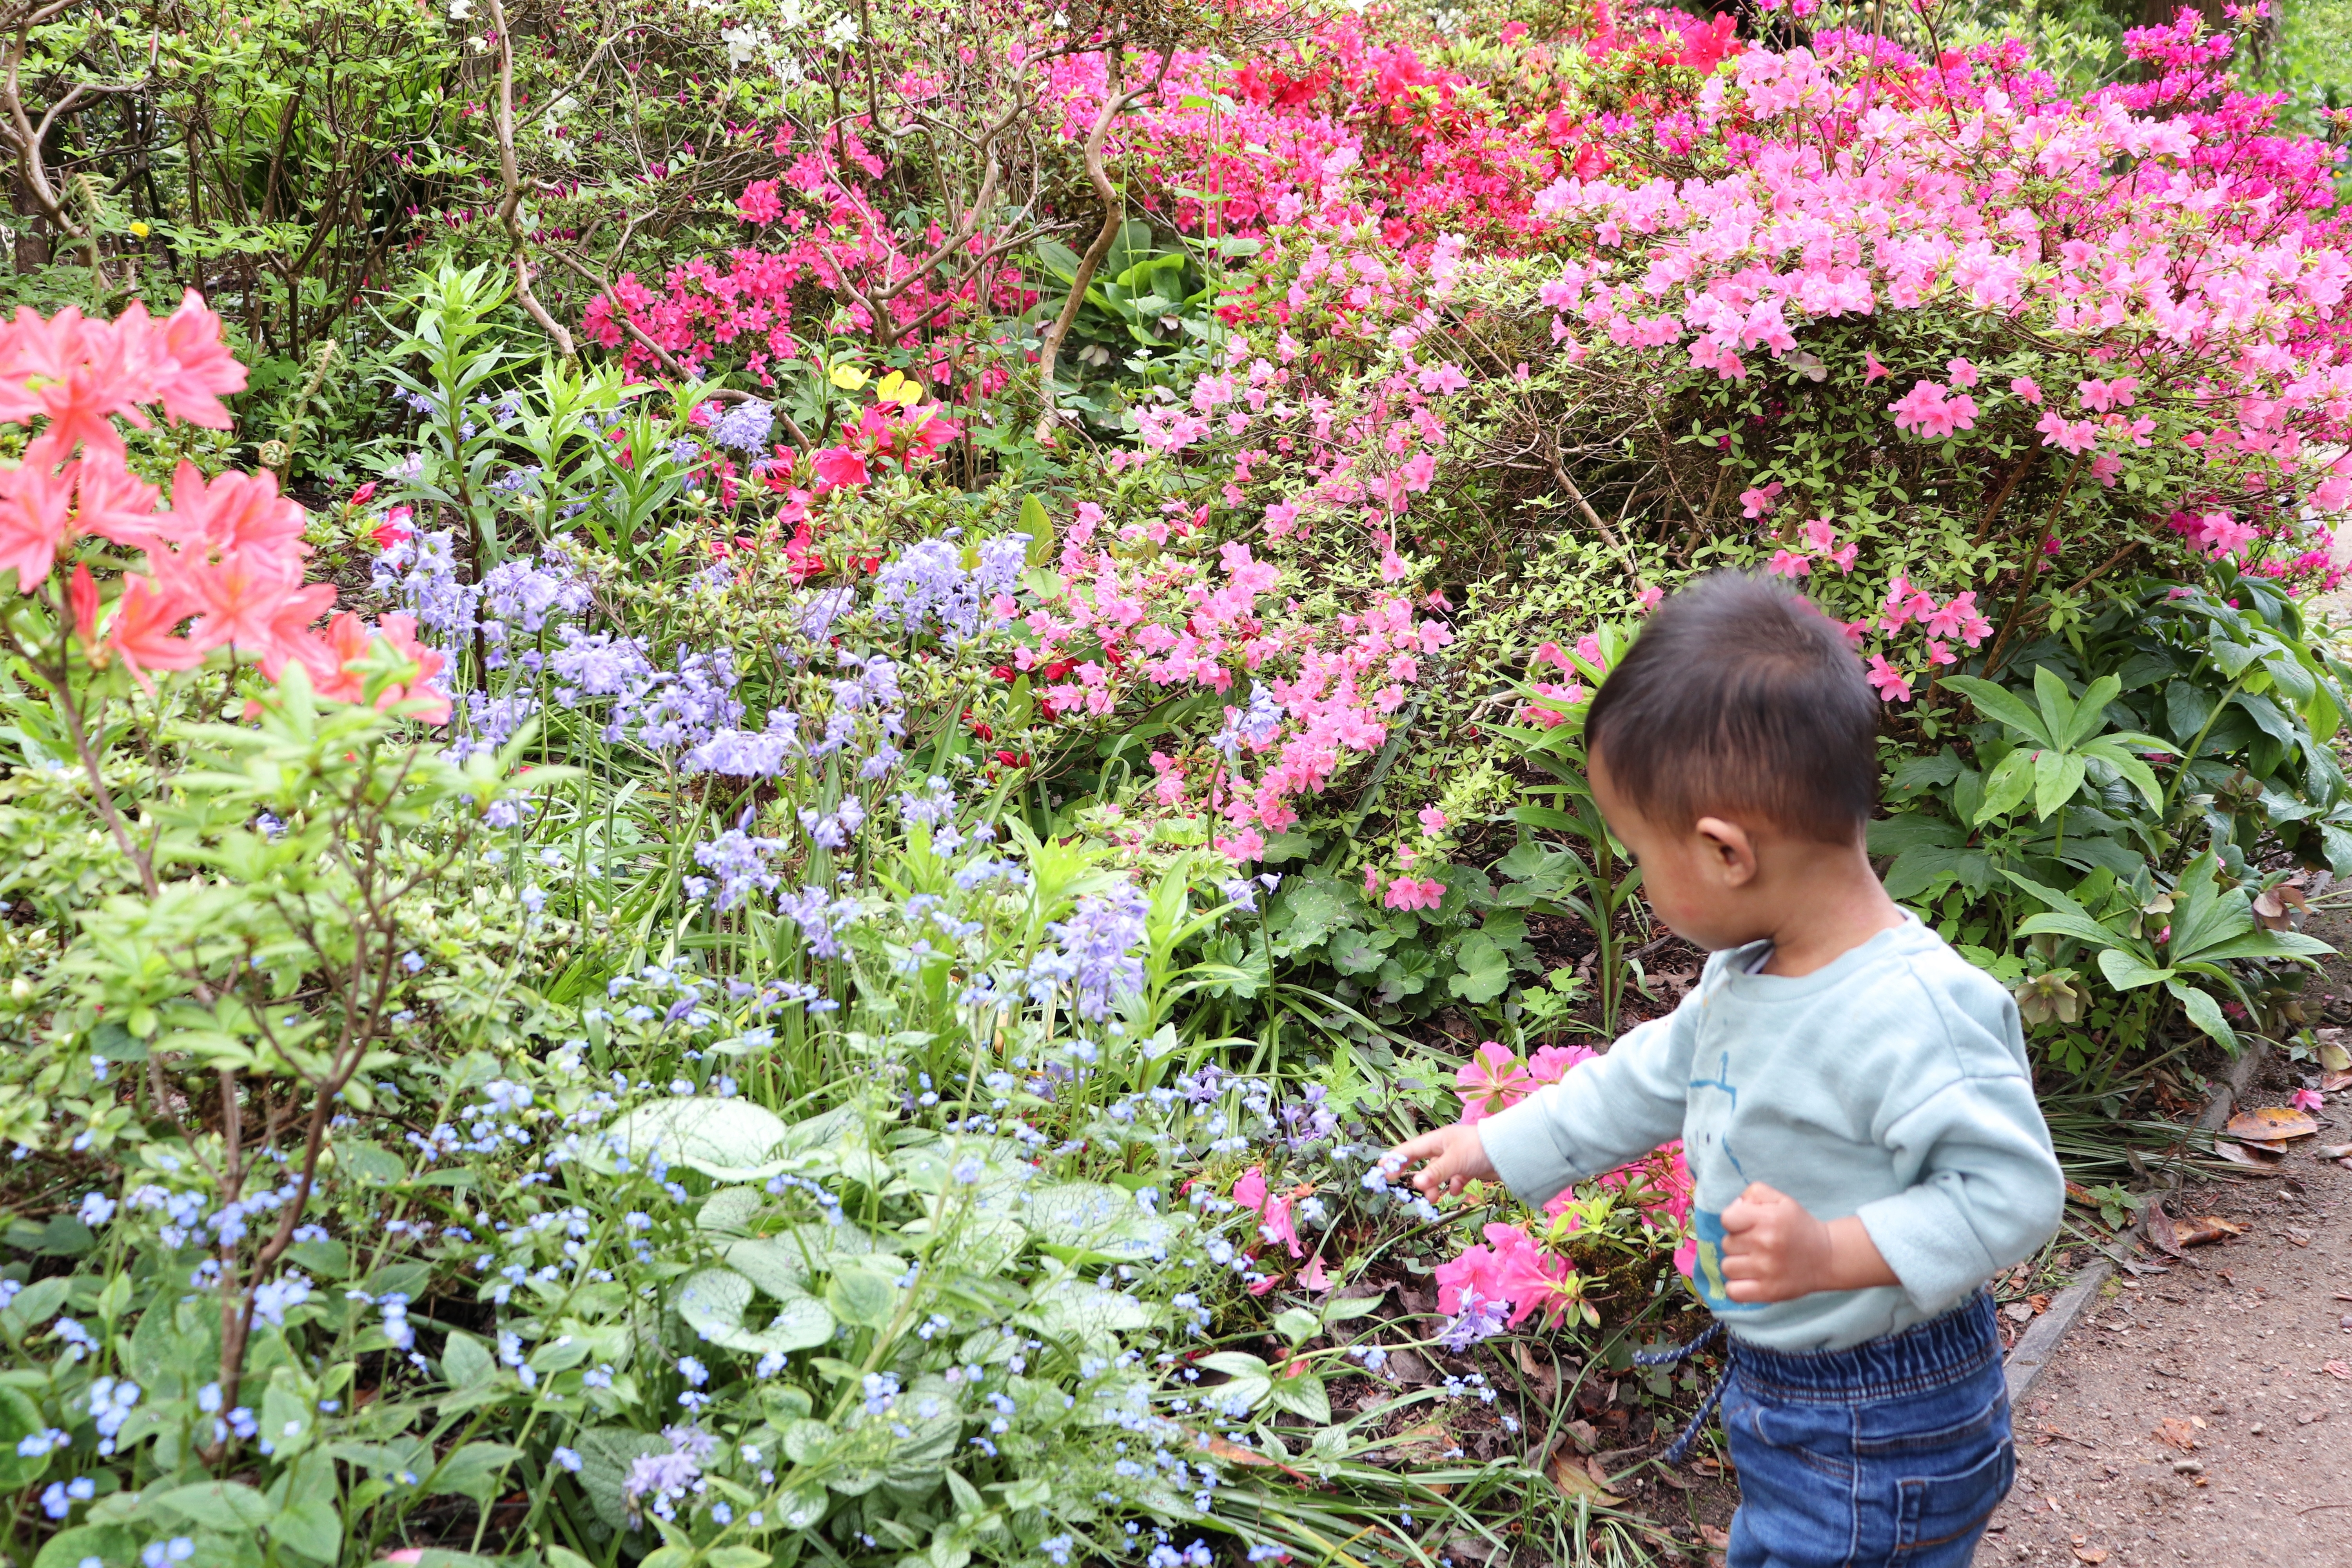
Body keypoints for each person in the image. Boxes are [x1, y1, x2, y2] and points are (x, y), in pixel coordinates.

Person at [1387, 572, 2063, 1568]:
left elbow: (2015, 1192)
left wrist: (1834, 1252)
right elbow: (1648, 1077)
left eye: (1639, 852)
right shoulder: (1750, 970)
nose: (1639, 877)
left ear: (1723, 850)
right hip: (1793, 1390)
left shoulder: (1917, 1011)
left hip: (1887, 1414)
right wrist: (1500, 1140)